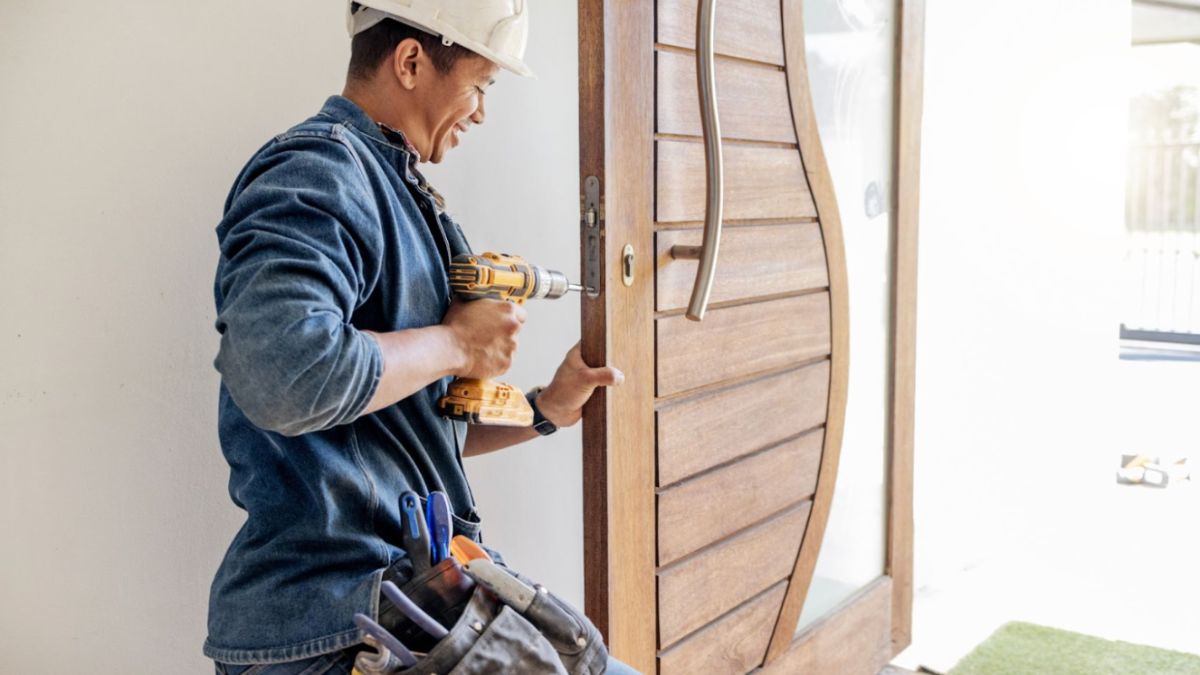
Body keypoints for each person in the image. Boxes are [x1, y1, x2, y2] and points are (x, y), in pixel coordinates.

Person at [204, 2, 635, 672]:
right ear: (410, 61)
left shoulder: (404, 194)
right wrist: (459, 344)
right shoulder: (316, 170)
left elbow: (410, 427)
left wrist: (545, 409)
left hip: (410, 605)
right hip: (336, 629)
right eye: (479, 85)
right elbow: (286, 375)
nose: (482, 112)